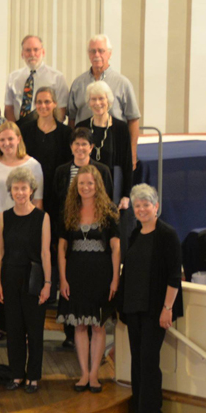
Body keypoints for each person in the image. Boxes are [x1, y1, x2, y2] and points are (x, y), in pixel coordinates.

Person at [118, 184, 182, 413]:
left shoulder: (167, 234)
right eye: (137, 205)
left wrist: (167, 308)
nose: (142, 209)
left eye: (146, 204)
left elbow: (174, 276)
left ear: (156, 207)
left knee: (148, 362)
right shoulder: (135, 233)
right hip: (134, 307)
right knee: (138, 362)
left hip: (156, 309)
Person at [57, 165, 120, 393]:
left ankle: (95, 375)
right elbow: (62, 248)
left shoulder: (109, 211)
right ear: (76, 186)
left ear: (97, 185)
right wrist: (62, 279)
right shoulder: (70, 210)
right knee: (80, 325)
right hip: (75, 273)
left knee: (98, 325)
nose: (85, 187)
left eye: (90, 183)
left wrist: (115, 279)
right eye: (82, 183)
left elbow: (116, 247)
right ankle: (84, 373)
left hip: (101, 274)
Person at [0, 121, 44, 342]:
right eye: (2, 140)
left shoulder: (34, 165)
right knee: (2, 274)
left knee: (23, 276)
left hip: (25, 227)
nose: (7, 143)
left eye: (10, 138)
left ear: (19, 139)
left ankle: (25, 327)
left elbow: (38, 201)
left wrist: (36, 230)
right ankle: (2, 325)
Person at [0, 167, 51, 393]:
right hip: (9, 276)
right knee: (14, 328)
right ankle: (17, 374)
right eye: (16, 188)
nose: (20, 192)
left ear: (31, 190)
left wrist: (48, 284)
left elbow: (46, 253)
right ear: (10, 191)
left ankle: (34, 376)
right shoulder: (3, 217)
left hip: (34, 278)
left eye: (24, 188)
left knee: (35, 329)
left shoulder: (42, 217)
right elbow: (0, 251)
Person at [67, 34, 140, 166]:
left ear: (109, 54)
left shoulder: (123, 83)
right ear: (88, 54)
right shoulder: (78, 83)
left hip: (114, 149)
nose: (97, 54)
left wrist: (132, 153)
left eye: (101, 50)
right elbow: (71, 118)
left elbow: (133, 119)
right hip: (84, 152)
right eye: (92, 51)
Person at [75, 81, 132, 211]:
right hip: (86, 190)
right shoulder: (81, 127)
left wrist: (125, 195)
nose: (97, 103)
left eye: (101, 98)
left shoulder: (121, 128)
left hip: (112, 191)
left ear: (108, 100)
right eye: (93, 99)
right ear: (89, 102)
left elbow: (127, 163)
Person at [20, 87, 72, 228]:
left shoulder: (66, 133)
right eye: (39, 102)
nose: (43, 106)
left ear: (55, 103)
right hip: (30, 190)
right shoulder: (25, 130)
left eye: (47, 102)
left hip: (57, 192)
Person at [5, 36, 69, 125]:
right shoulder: (13, 77)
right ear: (22, 54)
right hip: (19, 129)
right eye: (28, 50)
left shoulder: (57, 78)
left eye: (36, 50)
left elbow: (61, 110)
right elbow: (8, 108)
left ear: (43, 52)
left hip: (46, 129)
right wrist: (14, 130)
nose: (32, 54)